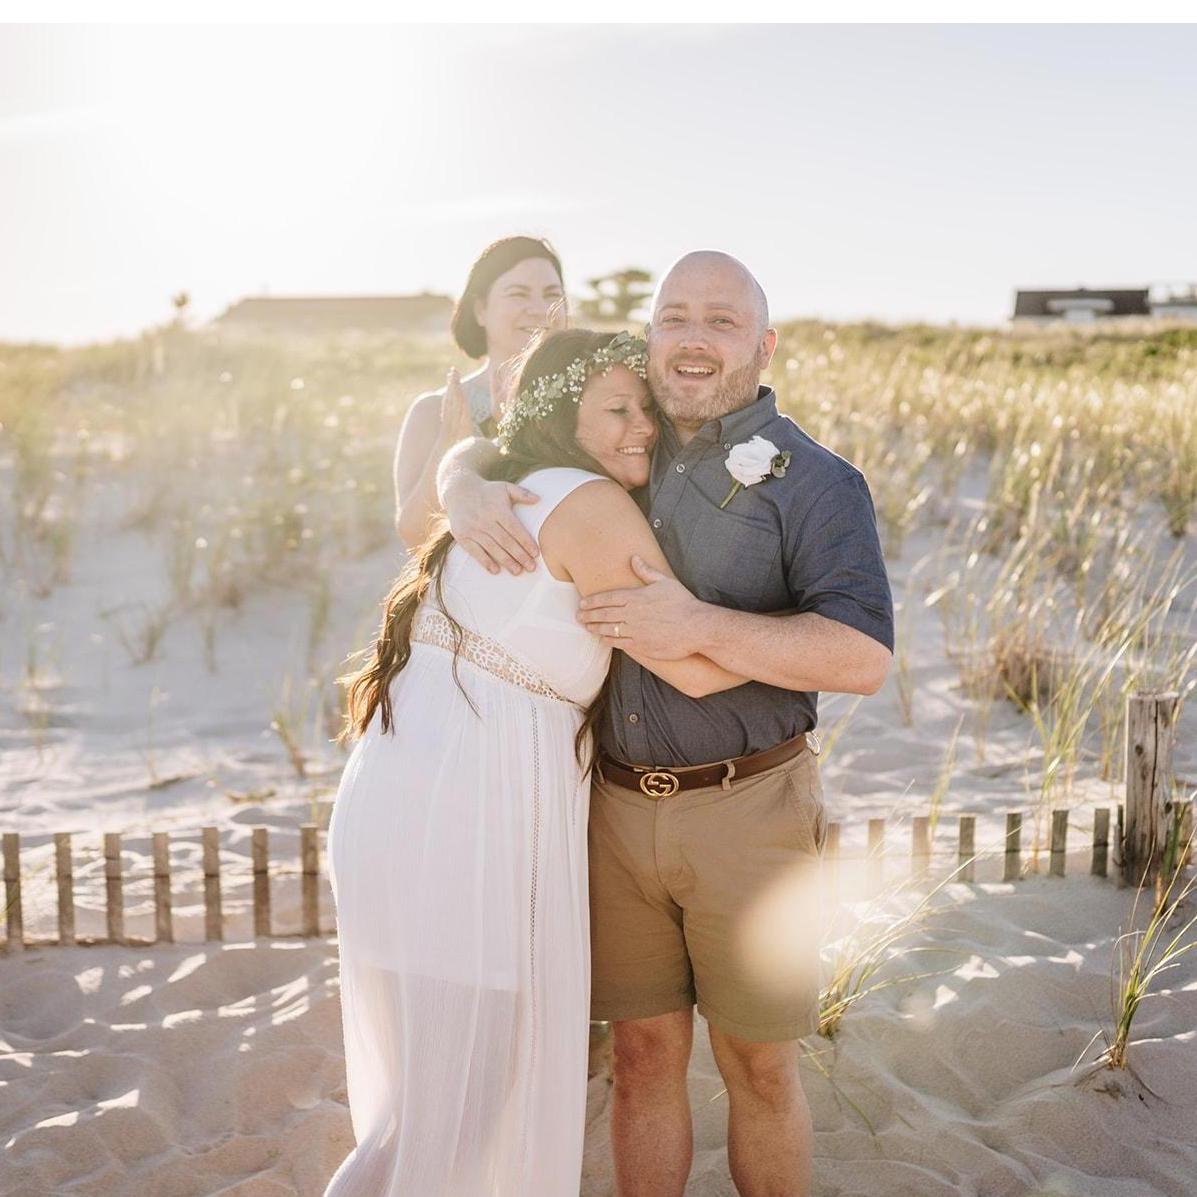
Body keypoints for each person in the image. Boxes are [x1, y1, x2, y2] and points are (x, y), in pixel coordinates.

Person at [437, 250, 895, 1197]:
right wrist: (461, 481)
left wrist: (698, 627)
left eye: (720, 321)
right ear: (648, 339)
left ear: (763, 346)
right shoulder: (614, 444)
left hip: (749, 809)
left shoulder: (816, 482)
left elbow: (860, 657)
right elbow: (497, 433)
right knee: (643, 1059)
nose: (691, 337)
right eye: (673, 316)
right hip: (607, 809)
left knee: (757, 1068)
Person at [324, 328, 753, 1197]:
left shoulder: (507, 490)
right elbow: (694, 668)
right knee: (456, 1107)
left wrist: (460, 467)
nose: (643, 425)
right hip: (466, 817)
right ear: (563, 419)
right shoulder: (588, 505)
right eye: (617, 409)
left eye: (644, 406)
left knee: (422, 1105)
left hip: (402, 798)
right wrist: (810, 637)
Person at [392, 235, 568, 550]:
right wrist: (449, 448)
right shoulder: (434, 410)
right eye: (519, 294)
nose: (540, 309)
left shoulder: (588, 399)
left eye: (552, 294)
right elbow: (414, 535)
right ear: (480, 310)